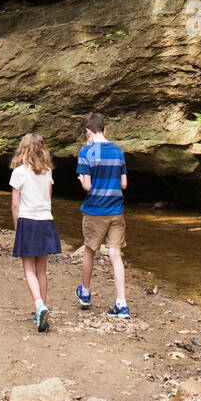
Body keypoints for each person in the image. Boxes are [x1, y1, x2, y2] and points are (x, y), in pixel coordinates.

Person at [74, 112, 129, 318]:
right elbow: (123, 184)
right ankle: (121, 304)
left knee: (89, 250)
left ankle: (86, 293)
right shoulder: (117, 151)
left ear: (87, 132)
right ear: (104, 130)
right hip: (116, 209)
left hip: (95, 209)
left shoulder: (86, 152)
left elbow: (87, 186)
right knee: (115, 254)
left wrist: (81, 180)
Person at [9, 132, 62, 332]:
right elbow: (48, 199)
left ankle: (39, 305)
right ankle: (42, 311)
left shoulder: (19, 172)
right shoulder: (48, 172)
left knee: (29, 268)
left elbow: (15, 204)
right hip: (46, 220)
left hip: (28, 221)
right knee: (42, 269)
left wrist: (17, 227)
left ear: (23, 149)